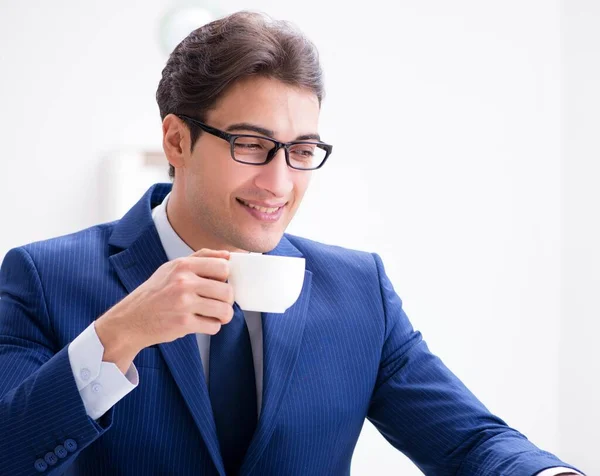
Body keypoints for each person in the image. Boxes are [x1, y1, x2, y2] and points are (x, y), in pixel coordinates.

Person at [0, 11, 583, 476]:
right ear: (177, 141)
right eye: (251, 144)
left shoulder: (359, 292)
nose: (279, 184)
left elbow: (468, 442)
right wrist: (116, 337)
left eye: (302, 151)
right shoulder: (44, 278)